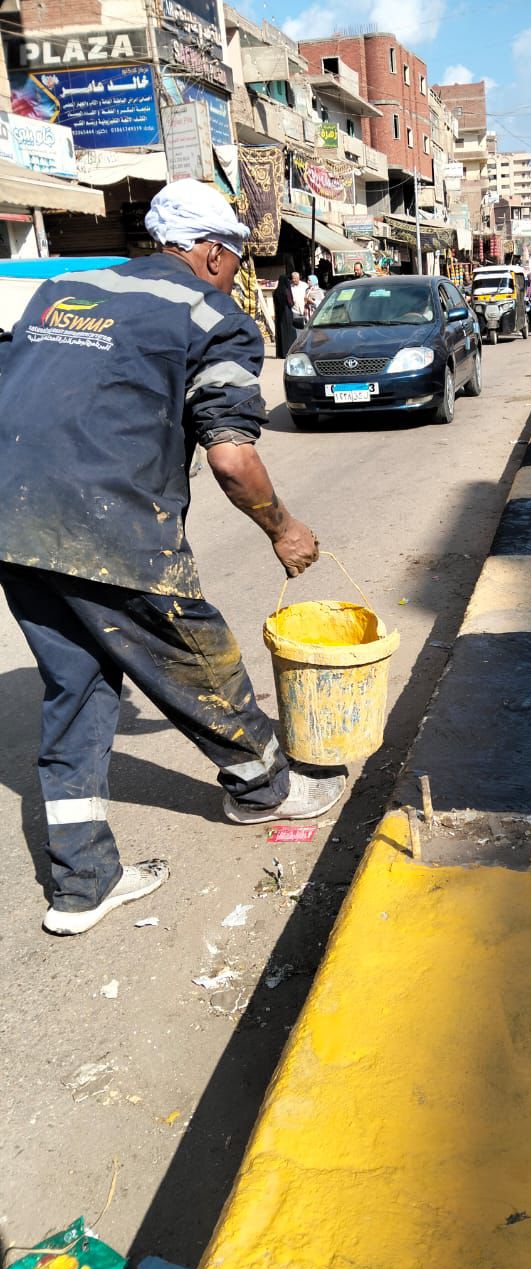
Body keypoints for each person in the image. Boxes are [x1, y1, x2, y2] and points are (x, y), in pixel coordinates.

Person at [0, 178, 344, 937]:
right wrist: (283, 528)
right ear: (213, 252)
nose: (235, 273)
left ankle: (82, 885)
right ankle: (265, 790)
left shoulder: (61, 291)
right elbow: (231, 458)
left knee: (79, 690)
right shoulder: (212, 317)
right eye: (236, 259)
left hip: (12, 522)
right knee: (197, 656)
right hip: (110, 524)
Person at [273, 257, 296, 357]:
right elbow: (291, 303)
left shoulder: (276, 292)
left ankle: (280, 353)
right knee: (288, 333)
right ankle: (287, 351)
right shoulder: (286, 291)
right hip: (286, 314)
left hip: (279, 315)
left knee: (280, 333)